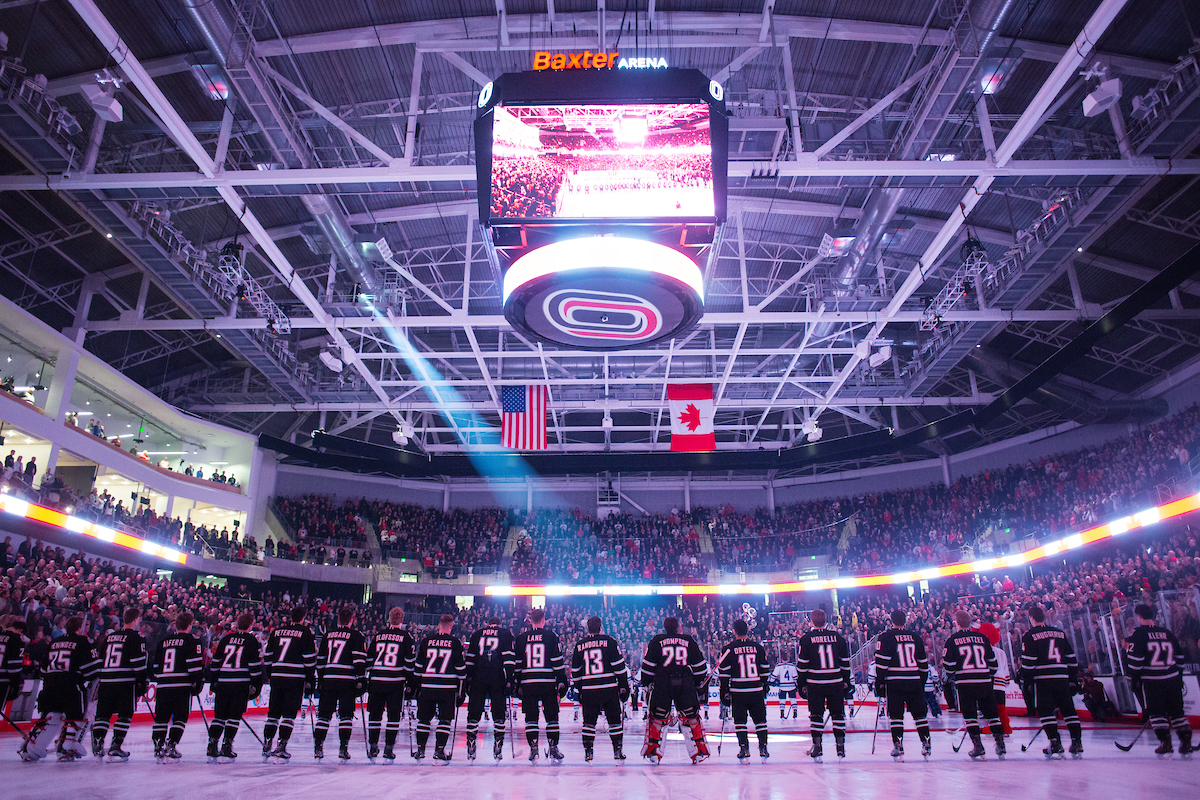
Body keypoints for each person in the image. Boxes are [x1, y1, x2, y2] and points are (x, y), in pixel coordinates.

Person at [20, 615, 99, 762]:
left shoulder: (55, 641)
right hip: (71, 685)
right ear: (79, 628)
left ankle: (30, 747)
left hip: (50, 684)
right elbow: (91, 671)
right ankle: (67, 747)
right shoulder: (83, 641)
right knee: (76, 715)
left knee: (51, 717)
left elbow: (43, 669)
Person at [639, 616, 710, 764]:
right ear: (678, 627)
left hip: (662, 683)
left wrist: (647, 683)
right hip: (685, 682)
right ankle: (699, 751)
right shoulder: (688, 640)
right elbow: (700, 667)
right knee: (690, 716)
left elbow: (647, 667)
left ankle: (653, 753)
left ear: (664, 627)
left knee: (658, 717)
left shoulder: (657, 640)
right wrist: (697, 683)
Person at [1125, 603, 1193, 756]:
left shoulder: (1139, 634)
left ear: (1139, 617)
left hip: (1152, 682)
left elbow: (1136, 661)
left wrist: (1134, 679)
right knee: (1177, 712)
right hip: (1172, 680)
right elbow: (1180, 658)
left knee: (1157, 713)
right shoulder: (1167, 633)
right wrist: (1178, 677)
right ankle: (1186, 742)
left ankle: (1165, 742)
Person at [1019, 603, 1082, 758]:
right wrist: (1073, 678)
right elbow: (1071, 658)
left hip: (1043, 679)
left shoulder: (1030, 635)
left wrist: (1025, 680)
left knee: (1046, 711)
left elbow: (1029, 661)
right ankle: (1077, 741)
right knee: (1069, 710)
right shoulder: (1059, 633)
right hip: (1062, 677)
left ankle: (1054, 742)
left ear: (1031, 618)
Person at [942, 610, 1004, 760]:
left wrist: (955, 675)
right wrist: (985, 675)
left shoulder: (952, 640)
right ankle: (1000, 744)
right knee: (992, 714)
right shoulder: (982, 638)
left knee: (970, 715)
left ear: (956, 623)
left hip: (965, 683)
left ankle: (978, 746)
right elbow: (993, 665)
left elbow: (948, 666)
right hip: (984, 682)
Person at [570, 615, 630, 763]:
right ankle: (617, 750)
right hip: (609, 688)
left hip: (589, 689)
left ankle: (588, 751)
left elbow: (576, 671)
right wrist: (623, 685)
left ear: (587, 628)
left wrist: (579, 688)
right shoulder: (610, 642)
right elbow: (619, 667)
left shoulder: (580, 645)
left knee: (589, 722)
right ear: (600, 627)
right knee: (614, 721)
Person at [92, 606, 147, 761]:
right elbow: (138, 663)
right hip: (125, 683)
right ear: (136, 620)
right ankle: (116, 746)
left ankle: (98, 743)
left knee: (103, 715)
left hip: (106, 681)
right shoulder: (136, 638)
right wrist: (142, 682)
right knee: (125, 714)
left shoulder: (110, 637)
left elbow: (101, 660)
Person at [262, 606, 318, 761]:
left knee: (273, 713)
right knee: (288, 714)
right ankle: (281, 745)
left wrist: (270, 672)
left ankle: (267, 744)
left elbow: (267, 656)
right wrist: (310, 679)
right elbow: (309, 659)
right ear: (303, 618)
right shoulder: (305, 633)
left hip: (277, 676)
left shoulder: (276, 632)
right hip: (295, 678)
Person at [207, 611, 264, 762]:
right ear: (250, 625)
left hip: (223, 682)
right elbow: (254, 666)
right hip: (240, 684)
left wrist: (214, 681)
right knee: (233, 717)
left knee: (219, 716)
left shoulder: (226, 639)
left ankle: (212, 744)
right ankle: (227, 745)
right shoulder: (251, 641)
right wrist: (257, 684)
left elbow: (216, 663)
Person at [514, 607, 568, 763]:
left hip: (528, 683)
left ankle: (534, 748)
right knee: (552, 717)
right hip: (547, 683)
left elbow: (518, 664)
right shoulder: (551, 636)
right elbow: (557, 663)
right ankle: (553, 748)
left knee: (531, 717)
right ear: (543, 620)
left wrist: (516, 681)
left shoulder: (521, 638)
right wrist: (561, 680)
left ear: (530, 621)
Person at [876, 608, 931, 761]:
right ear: (905, 621)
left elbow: (882, 663)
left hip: (895, 682)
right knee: (920, 715)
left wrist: (879, 681)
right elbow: (922, 663)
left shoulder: (885, 637)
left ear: (891, 621)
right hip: (914, 680)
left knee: (896, 716)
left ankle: (898, 745)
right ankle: (926, 742)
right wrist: (921, 681)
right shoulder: (915, 637)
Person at [796, 608, 851, 761]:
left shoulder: (806, 639)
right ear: (826, 621)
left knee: (816, 715)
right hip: (835, 682)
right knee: (838, 714)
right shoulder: (837, 637)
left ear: (812, 621)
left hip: (815, 683)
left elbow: (802, 665)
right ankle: (840, 747)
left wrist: (801, 683)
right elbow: (845, 664)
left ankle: (818, 747)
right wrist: (846, 680)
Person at [313, 606, 368, 761]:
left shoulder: (328, 635)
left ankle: (318, 747)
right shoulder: (356, 635)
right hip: (346, 681)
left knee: (323, 715)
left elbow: (321, 660)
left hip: (329, 680)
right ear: (351, 620)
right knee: (346, 716)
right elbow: (358, 659)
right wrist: (361, 678)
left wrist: (320, 677)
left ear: (338, 620)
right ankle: (343, 748)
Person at [151, 611, 204, 761]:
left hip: (163, 685)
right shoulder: (192, 640)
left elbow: (155, 667)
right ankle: (171, 745)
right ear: (189, 625)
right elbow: (194, 666)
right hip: (181, 686)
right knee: (180, 717)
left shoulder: (164, 641)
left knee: (161, 717)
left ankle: (158, 745)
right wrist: (197, 682)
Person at [412, 613, 466, 762]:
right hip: (447, 688)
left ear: (438, 625)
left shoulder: (426, 641)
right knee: (445, 719)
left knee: (423, 719)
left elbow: (418, 667)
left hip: (427, 686)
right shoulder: (455, 642)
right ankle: (439, 750)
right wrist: (461, 690)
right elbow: (461, 670)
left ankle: (421, 749)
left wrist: (415, 686)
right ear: (451, 626)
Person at [717, 617, 770, 763]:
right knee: (760, 720)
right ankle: (763, 747)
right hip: (755, 690)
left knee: (740, 721)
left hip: (738, 691)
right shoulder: (758, 647)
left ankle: (744, 748)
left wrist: (724, 691)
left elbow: (724, 673)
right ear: (747, 630)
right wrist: (764, 685)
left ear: (734, 632)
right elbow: (765, 670)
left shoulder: (728, 649)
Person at [367, 606, 416, 762]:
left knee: (375, 715)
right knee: (393, 716)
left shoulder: (378, 635)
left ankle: (373, 745)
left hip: (376, 680)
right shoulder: (406, 637)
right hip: (395, 682)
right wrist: (410, 681)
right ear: (402, 620)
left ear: (389, 618)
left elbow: (369, 660)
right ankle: (389, 748)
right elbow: (409, 663)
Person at [464, 615, 515, 762]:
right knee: (499, 711)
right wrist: (510, 679)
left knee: (474, 711)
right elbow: (509, 659)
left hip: (478, 676)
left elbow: (470, 659)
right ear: (498, 625)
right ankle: (498, 745)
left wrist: (468, 678)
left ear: (488, 624)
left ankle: (471, 744)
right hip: (497, 676)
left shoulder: (477, 634)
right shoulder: (505, 634)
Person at [979, 622, 1013, 735]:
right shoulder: (1001, 652)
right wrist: (1006, 682)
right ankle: (1006, 728)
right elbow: (1005, 670)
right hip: (1001, 683)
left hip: (990, 682)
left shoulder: (983, 651)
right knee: (1001, 708)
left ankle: (994, 728)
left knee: (991, 709)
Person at [0, 616, 26, 714]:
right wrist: (16, 684)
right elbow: (14, 666)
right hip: (3, 679)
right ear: (20, 630)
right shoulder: (16, 639)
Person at [770, 654, 799, 720]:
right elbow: (795, 677)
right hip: (791, 686)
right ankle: (795, 712)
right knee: (793, 699)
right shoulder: (792, 666)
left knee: (782, 700)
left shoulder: (779, 666)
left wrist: (771, 681)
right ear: (788, 659)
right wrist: (796, 684)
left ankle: (782, 713)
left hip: (782, 686)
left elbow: (774, 675)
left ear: (782, 659)